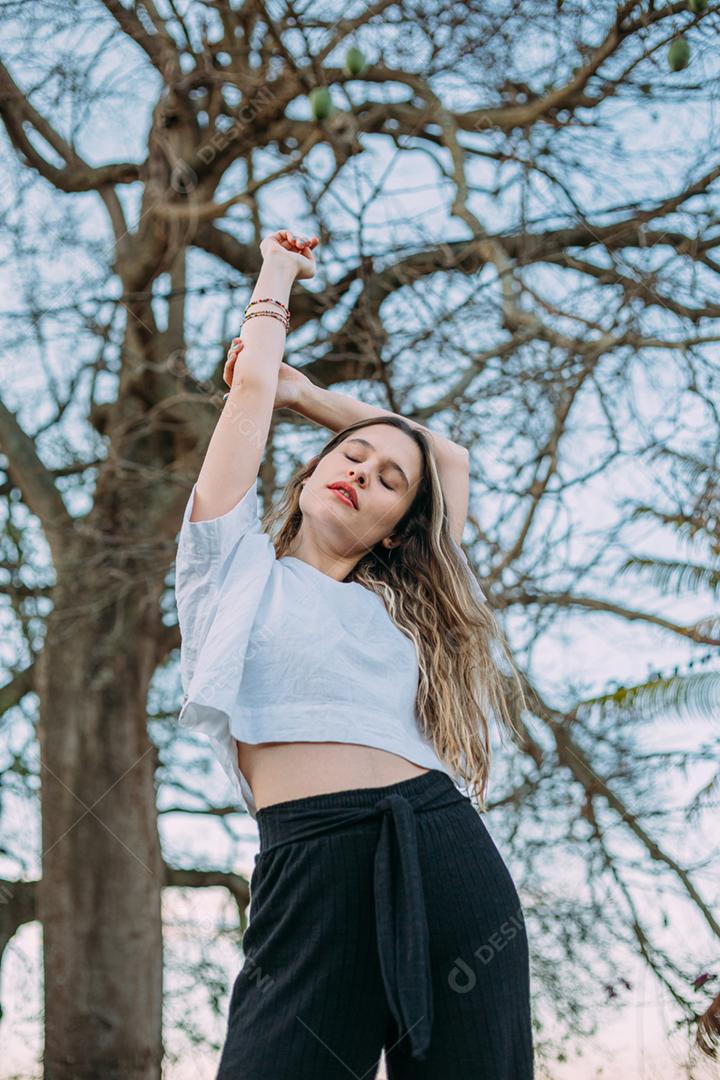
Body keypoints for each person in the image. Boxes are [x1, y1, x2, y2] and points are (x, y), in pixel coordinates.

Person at [174, 229, 535, 1078]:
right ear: (305, 476)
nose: (363, 474)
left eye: (386, 482)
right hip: (308, 860)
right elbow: (251, 388)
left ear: (396, 528)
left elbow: (446, 458)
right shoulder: (230, 567)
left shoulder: (395, 607)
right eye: (351, 456)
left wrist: (320, 399)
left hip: (445, 848)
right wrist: (277, 284)